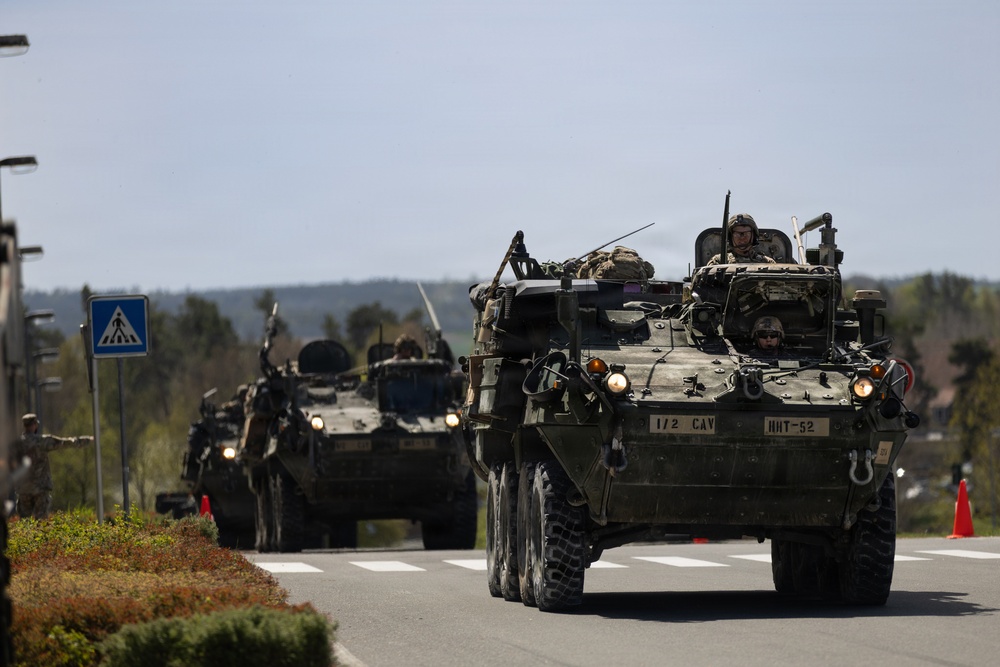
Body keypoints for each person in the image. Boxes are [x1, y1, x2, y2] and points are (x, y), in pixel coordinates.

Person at [13, 413, 94, 520]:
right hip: (41, 489)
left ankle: (25, 537)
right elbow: (65, 442)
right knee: (41, 523)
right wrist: (88, 440)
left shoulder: (16, 444)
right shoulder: (42, 441)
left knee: (24, 523)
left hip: (23, 489)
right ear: (35, 425)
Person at [707, 214, 776, 265]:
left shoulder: (767, 262)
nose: (742, 237)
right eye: (737, 234)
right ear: (730, 237)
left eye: (746, 233)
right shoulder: (718, 261)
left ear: (754, 236)